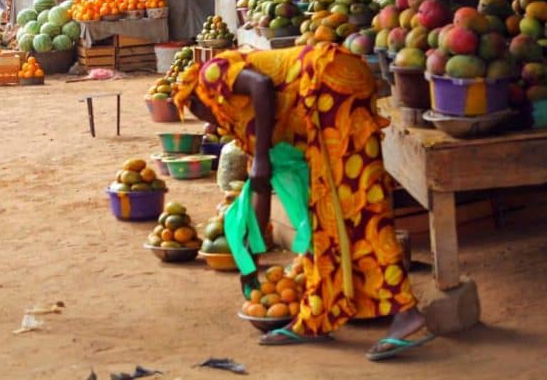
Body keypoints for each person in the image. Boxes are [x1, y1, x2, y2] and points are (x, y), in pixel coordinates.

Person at [172, 43, 435, 361]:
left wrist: (260, 159)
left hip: (329, 83)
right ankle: (318, 314)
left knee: (358, 207)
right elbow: (261, 183)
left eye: (197, 111)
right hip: (328, 94)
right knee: (323, 213)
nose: (208, 122)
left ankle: (405, 310)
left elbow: (261, 84)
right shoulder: (246, 119)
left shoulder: (211, 75)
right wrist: (250, 258)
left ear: (196, 96)